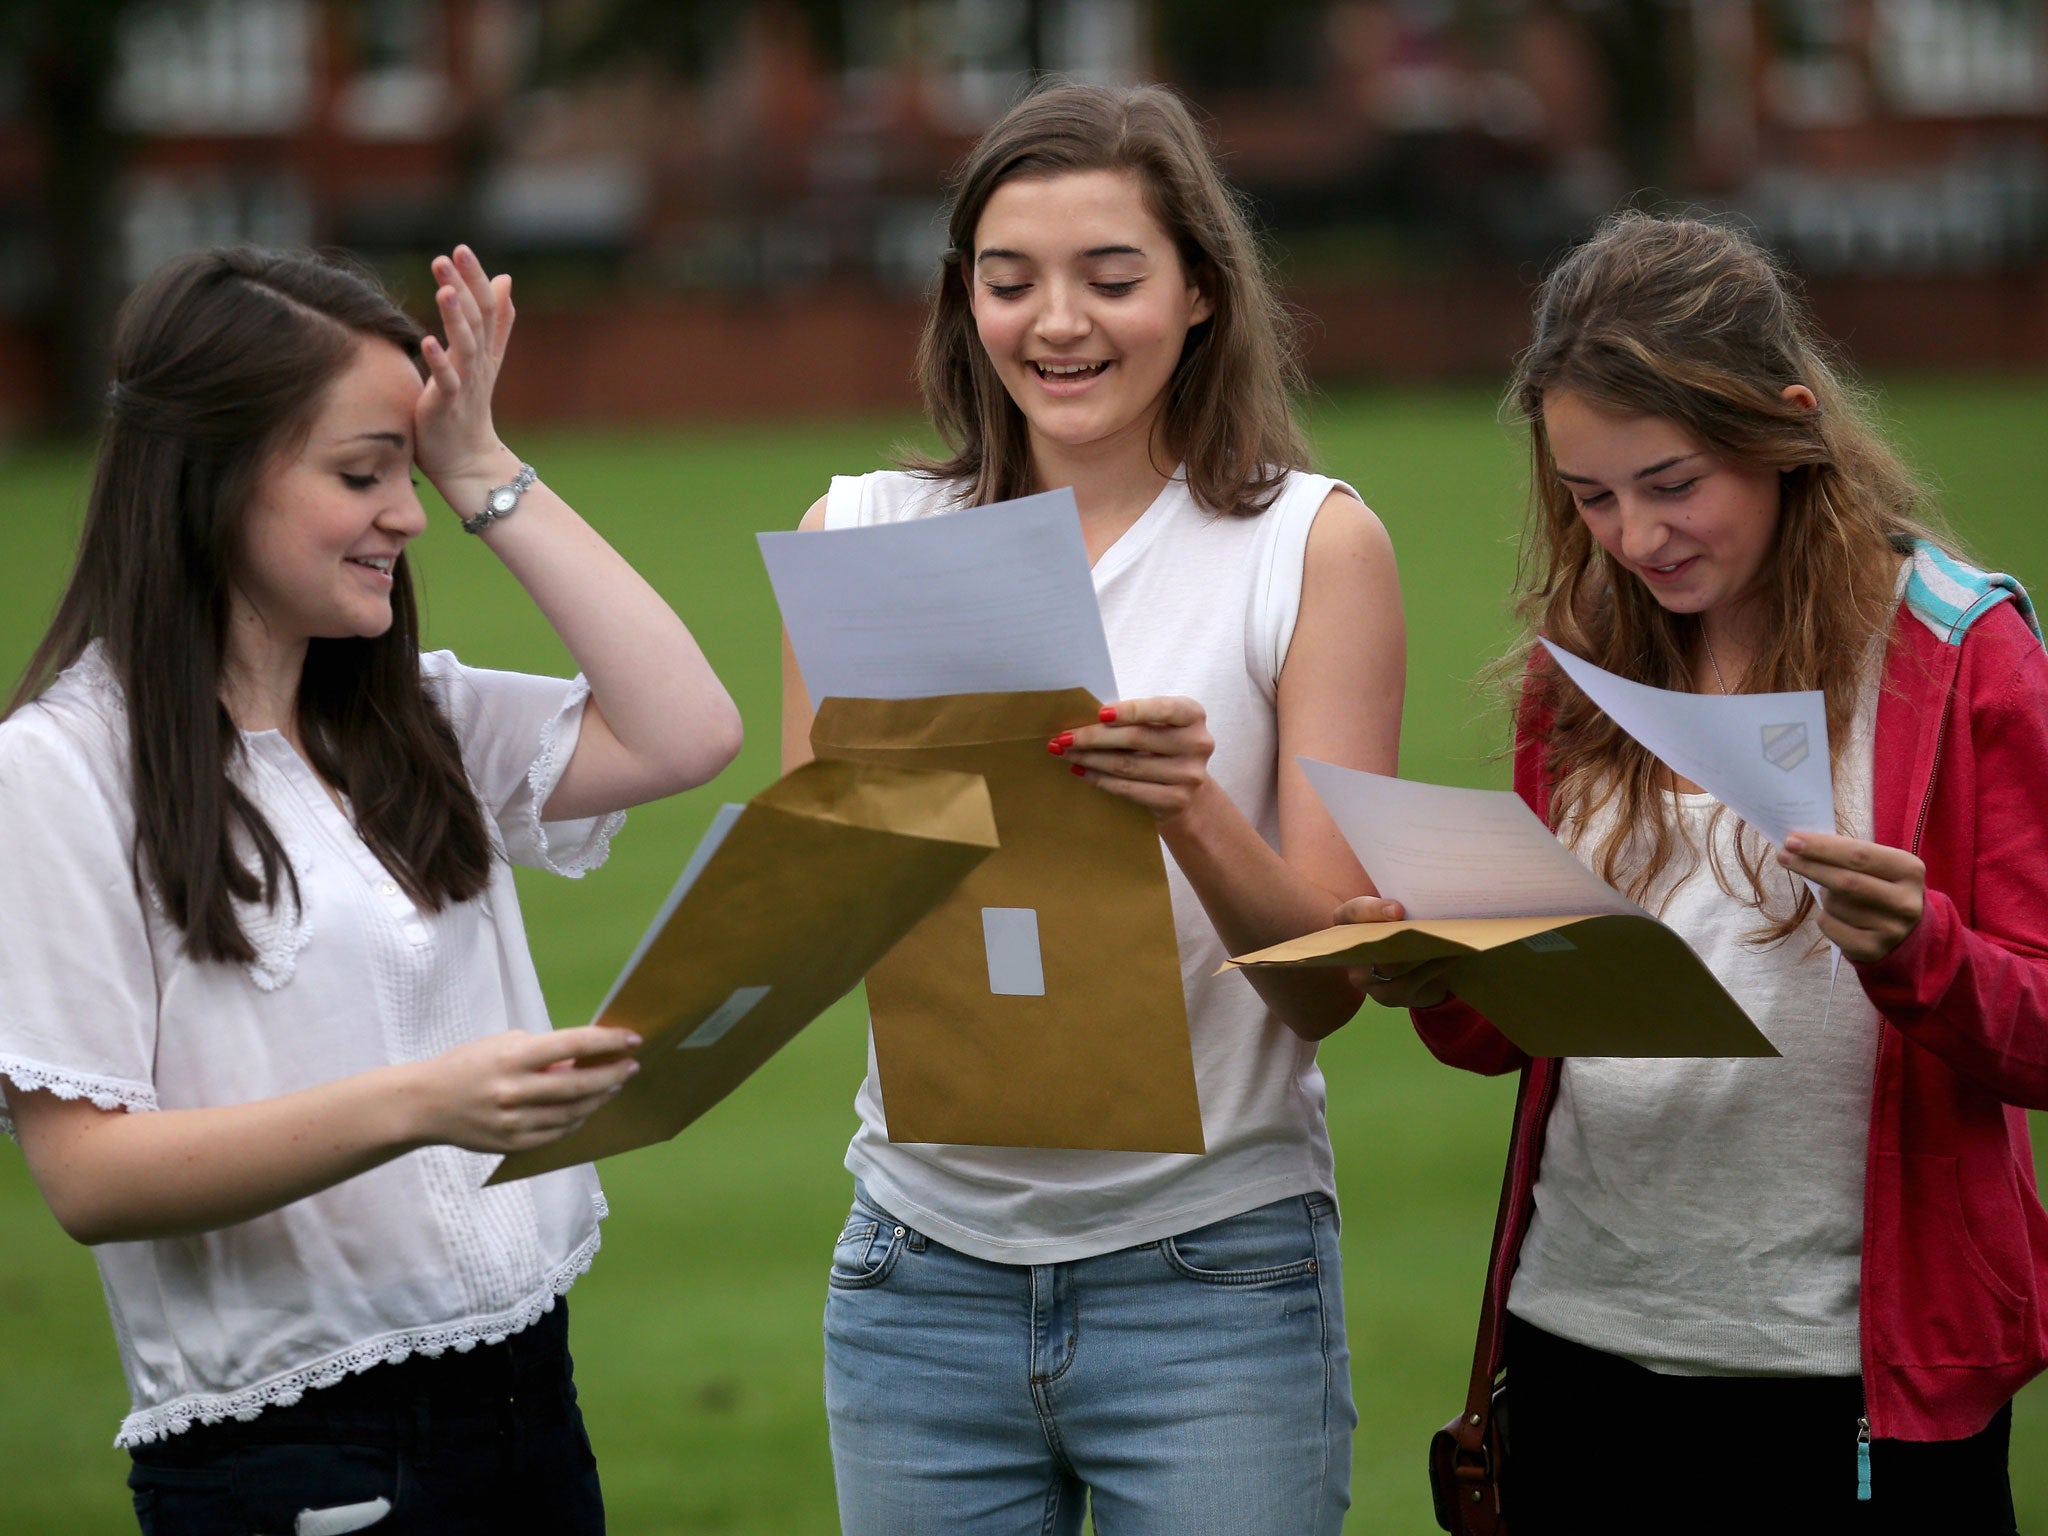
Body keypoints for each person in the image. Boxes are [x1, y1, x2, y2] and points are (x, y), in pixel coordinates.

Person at [0, 243, 742, 1534]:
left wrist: (482, 471)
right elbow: (90, 1179)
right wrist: (425, 1102)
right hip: (295, 1457)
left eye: (410, 470)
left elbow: (687, 731)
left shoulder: (414, 716)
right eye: (363, 472)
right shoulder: (56, 772)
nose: (405, 515)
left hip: (528, 1398)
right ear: (210, 480)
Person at [1344, 211, 2048, 1533]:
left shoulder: (1962, 656)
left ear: (1784, 428)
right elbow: (1523, 1032)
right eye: (1590, 497)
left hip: (1848, 1387)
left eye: (1671, 483)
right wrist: (1437, 972)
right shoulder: (1580, 668)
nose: (1636, 536)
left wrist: (1923, 951)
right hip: (1580, 1353)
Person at [777, 81, 1405, 1536]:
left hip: (1213, 1278)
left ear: (1198, 290)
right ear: (964, 303)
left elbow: (1327, 996)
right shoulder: (859, 534)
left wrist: (1188, 809)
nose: (1058, 322)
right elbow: (812, 916)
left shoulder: (1309, 544)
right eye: (1010, 283)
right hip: (913, 1280)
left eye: (1111, 277)